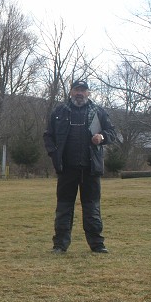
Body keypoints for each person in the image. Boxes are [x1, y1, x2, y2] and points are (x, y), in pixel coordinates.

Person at [43, 80, 117, 254]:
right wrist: (54, 154)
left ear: (88, 93)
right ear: (71, 92)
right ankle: (60, 245)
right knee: (64, 208)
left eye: (83, 90)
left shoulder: (98, 112)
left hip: (91, 169)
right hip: (67, 169)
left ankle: (97, 245)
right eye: (76, 89)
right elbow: (48, 136)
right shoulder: (59, 112)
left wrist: (102, 137)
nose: (79, 93)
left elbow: (113, 133)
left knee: (92, 209)